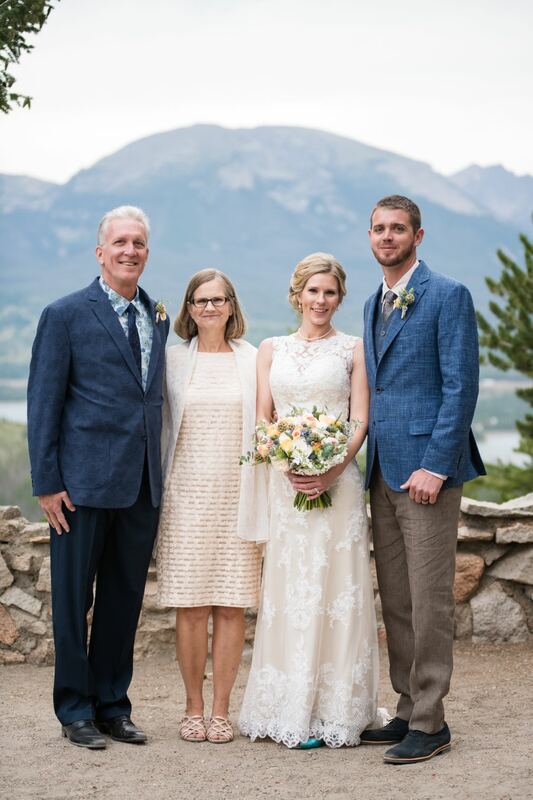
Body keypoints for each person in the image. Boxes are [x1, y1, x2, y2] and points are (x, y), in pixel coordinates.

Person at [27, 205, 169, 749]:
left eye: (138, 243)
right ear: (100, 251)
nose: (130, 251)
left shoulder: (156, 315)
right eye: (120, 242)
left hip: (140, 483)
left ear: (147, 253)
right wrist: (46, 481)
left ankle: (113, 705)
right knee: (72, 601)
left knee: (122, 600)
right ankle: (74, 710)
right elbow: (44, 402)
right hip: (80, 486)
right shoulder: (64, 314)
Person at [239, 253, 385, 749]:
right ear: (297, 294)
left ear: (339, 299)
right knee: (291, 591)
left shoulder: (353, 349)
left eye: (330, 292)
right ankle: (286, 706)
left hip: (338, 487)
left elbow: (359, 418)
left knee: (336, 589)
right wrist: (288, 465)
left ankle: (335, 711)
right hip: (288, 488)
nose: (321, 300)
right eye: (313, 291)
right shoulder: (270, 349)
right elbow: (264, 418)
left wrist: (332, 470)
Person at [360, 195, 485, 764]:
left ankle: (432, 722)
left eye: (398, 228)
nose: (387, 237)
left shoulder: (447, 295)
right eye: (379, 229)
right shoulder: (373, 302)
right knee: (398, 600)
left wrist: (436, 465)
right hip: (382, 471)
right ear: (370, 237)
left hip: (427, 472)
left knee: (430, 600)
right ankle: (408, 706)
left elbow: (461, 386)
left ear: (418, 235)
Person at [157, 269, 265, 744]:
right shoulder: (172, 361)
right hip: (185, 498)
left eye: (218, 299)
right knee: (191, 607)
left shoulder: (253, 359)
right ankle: (192, 707)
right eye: (200, 300)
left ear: (231, 305)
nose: (209, 308)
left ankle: (221, 710)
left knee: (231, 606)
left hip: (238, 497)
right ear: (189, 308)